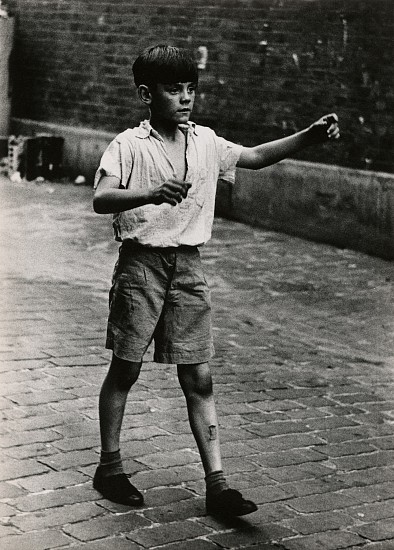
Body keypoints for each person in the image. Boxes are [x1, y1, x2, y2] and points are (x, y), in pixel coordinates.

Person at [92, 44, 340, 517]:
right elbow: (102, 198)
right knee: (126, 368)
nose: (184, 98)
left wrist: (307, 137)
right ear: (147, 94)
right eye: (172, 89)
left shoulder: (205, 141)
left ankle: (218, 485)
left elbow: (256, 156)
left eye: (190, 89)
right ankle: (110, 465)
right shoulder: (129, 144)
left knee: (199, 376)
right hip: (141, 266)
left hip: (189, 269)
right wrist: (149, 192)